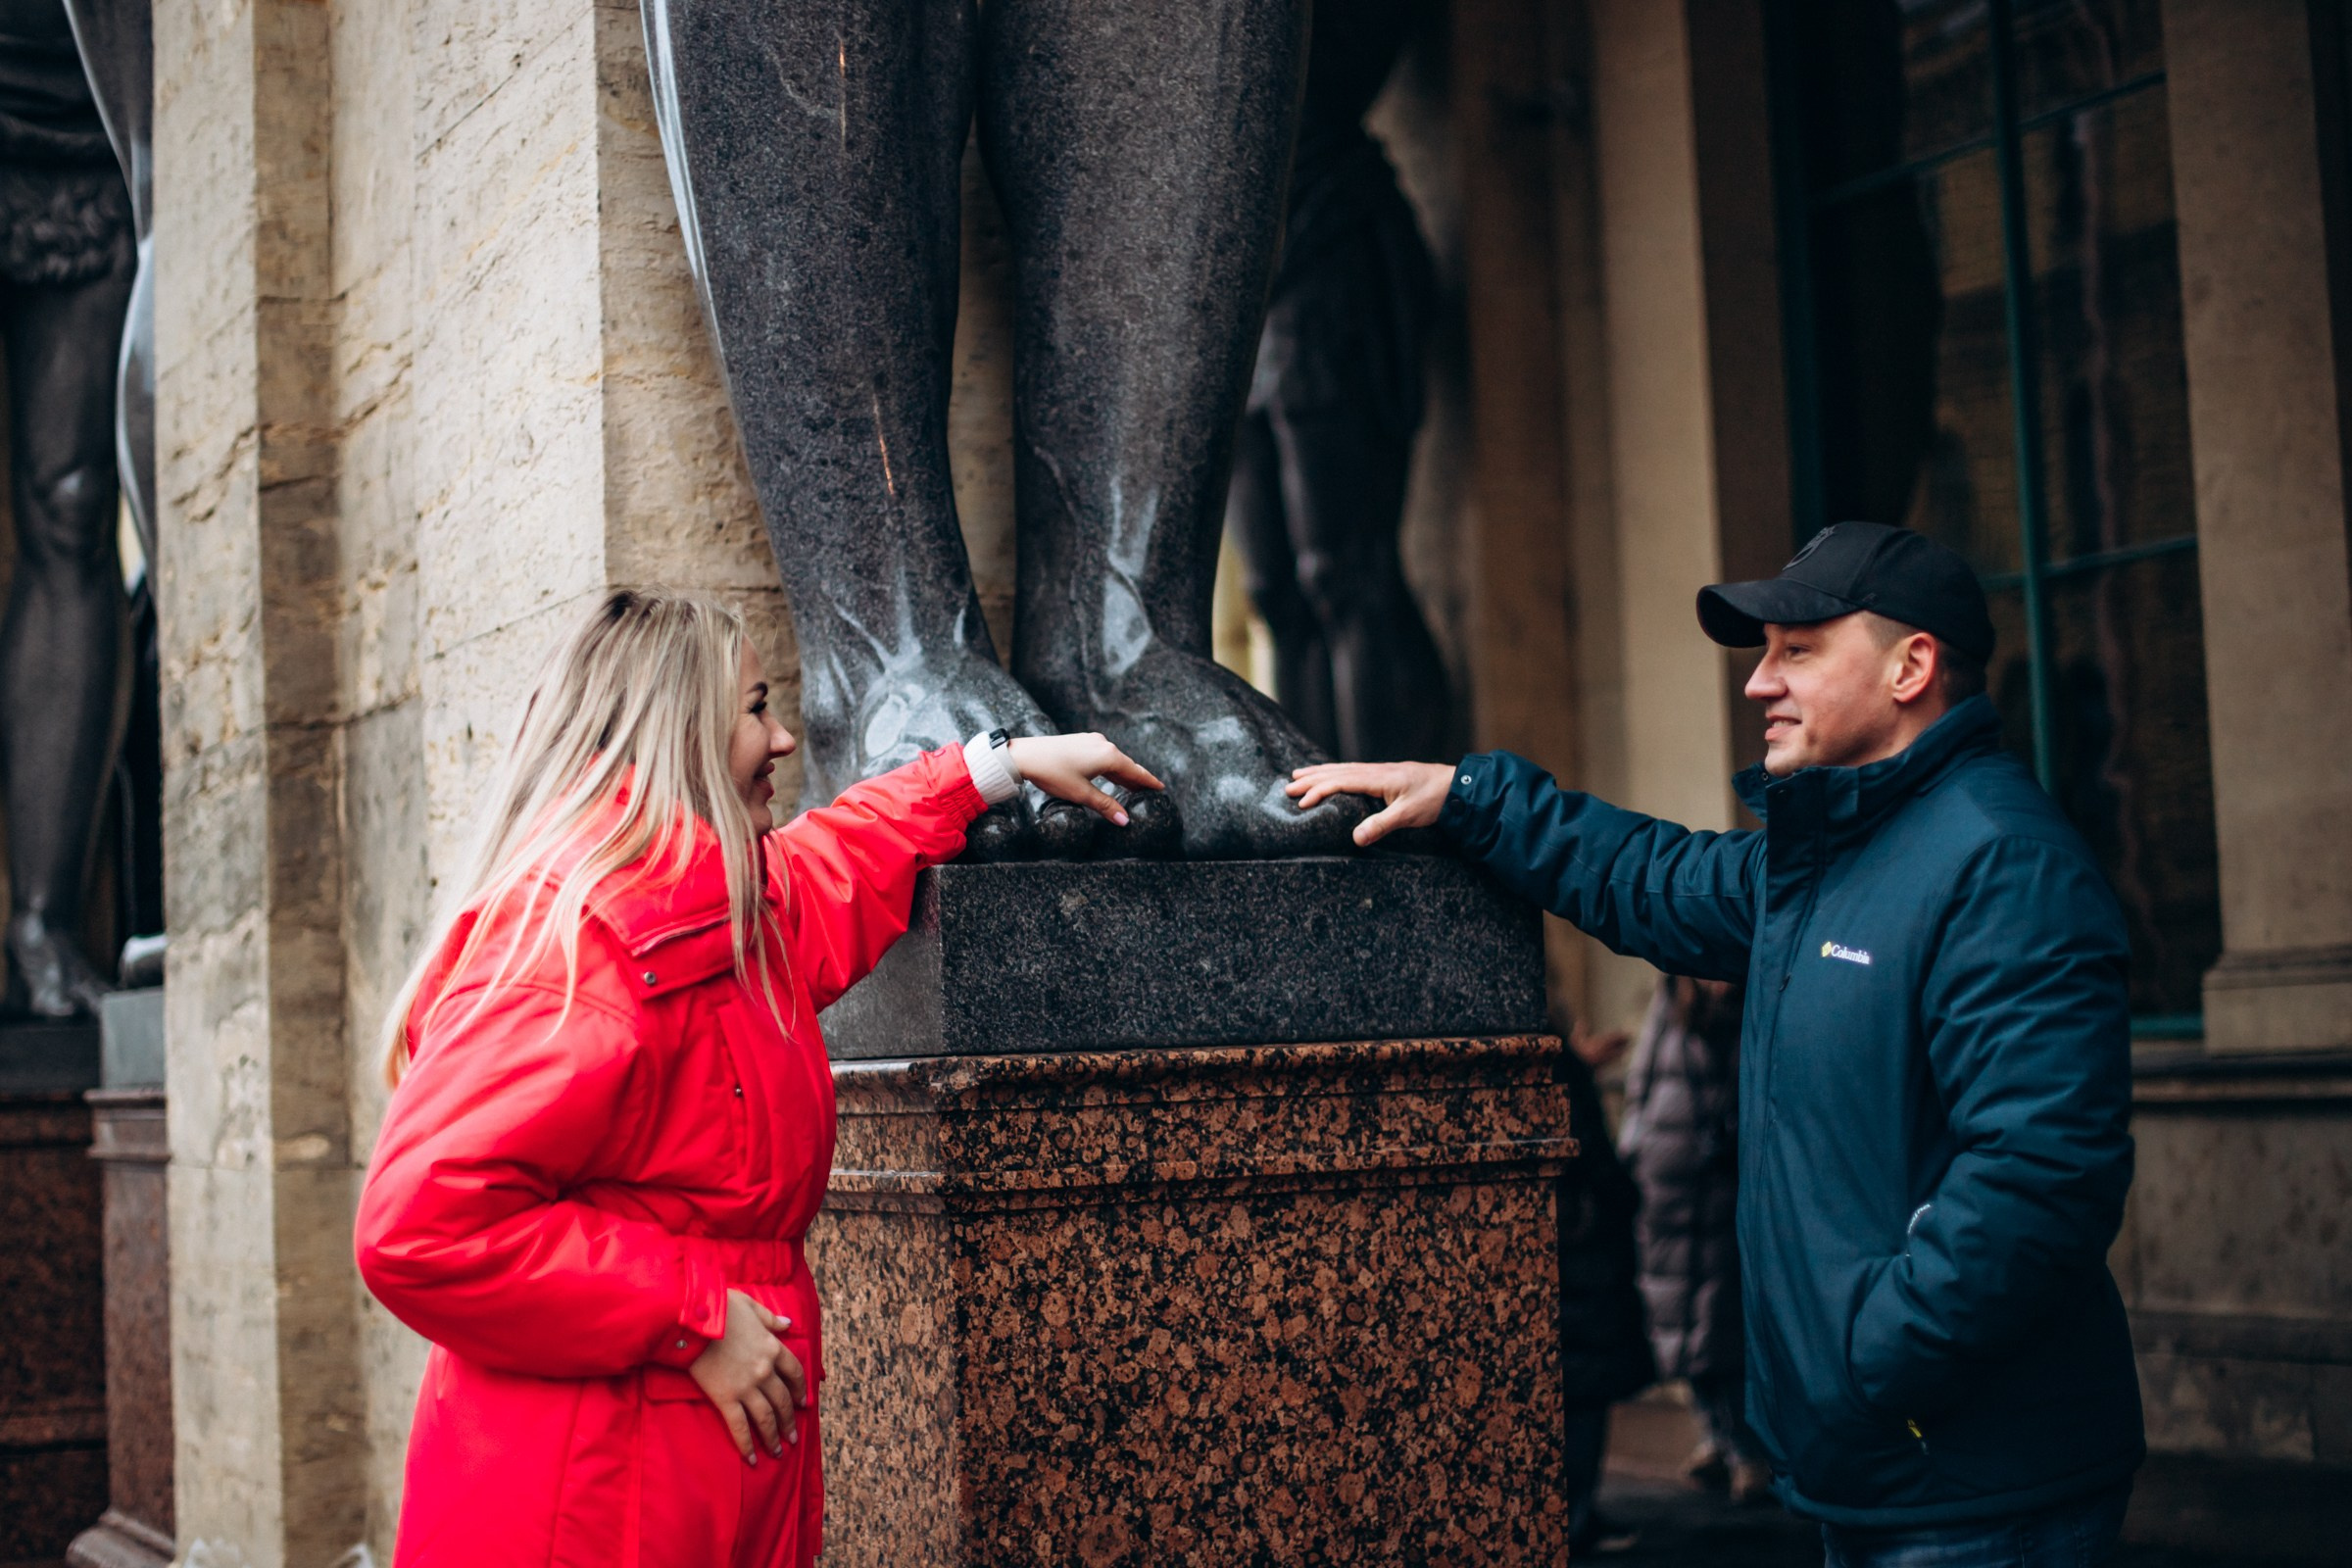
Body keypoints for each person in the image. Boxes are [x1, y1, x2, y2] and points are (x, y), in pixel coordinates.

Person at [1291, 522, 2144, 1566]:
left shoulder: (2003, 865)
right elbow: (1645, 873)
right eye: (1764, 654)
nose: (1758, 684)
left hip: (1978, 1490)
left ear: (1911, 665)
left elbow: (2043, 1175)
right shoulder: (1828, 863)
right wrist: (1470, 798)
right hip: (1885, 1471)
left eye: (1797, 650)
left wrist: (1868, 1356)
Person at [354, 589, 1159, 1568]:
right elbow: (422, 1225)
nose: (782, 740)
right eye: (755, 708)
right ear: (680, 733)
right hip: (590, 1495)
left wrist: (995, 765)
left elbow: (836, 859)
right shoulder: (577, 950)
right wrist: (690, 1314)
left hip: (663, 1472)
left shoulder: (717, 909)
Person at [1619, 974, 1771, 1504]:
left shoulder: (1746, 995)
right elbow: (1644, 1074)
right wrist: (1633, 1148)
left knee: (1719, 1326)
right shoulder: (1673, 997)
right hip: (1668, 1182)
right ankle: (1720, 1435)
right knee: (1678, 1323)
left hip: (1718, 1185)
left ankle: (1741, 1443)